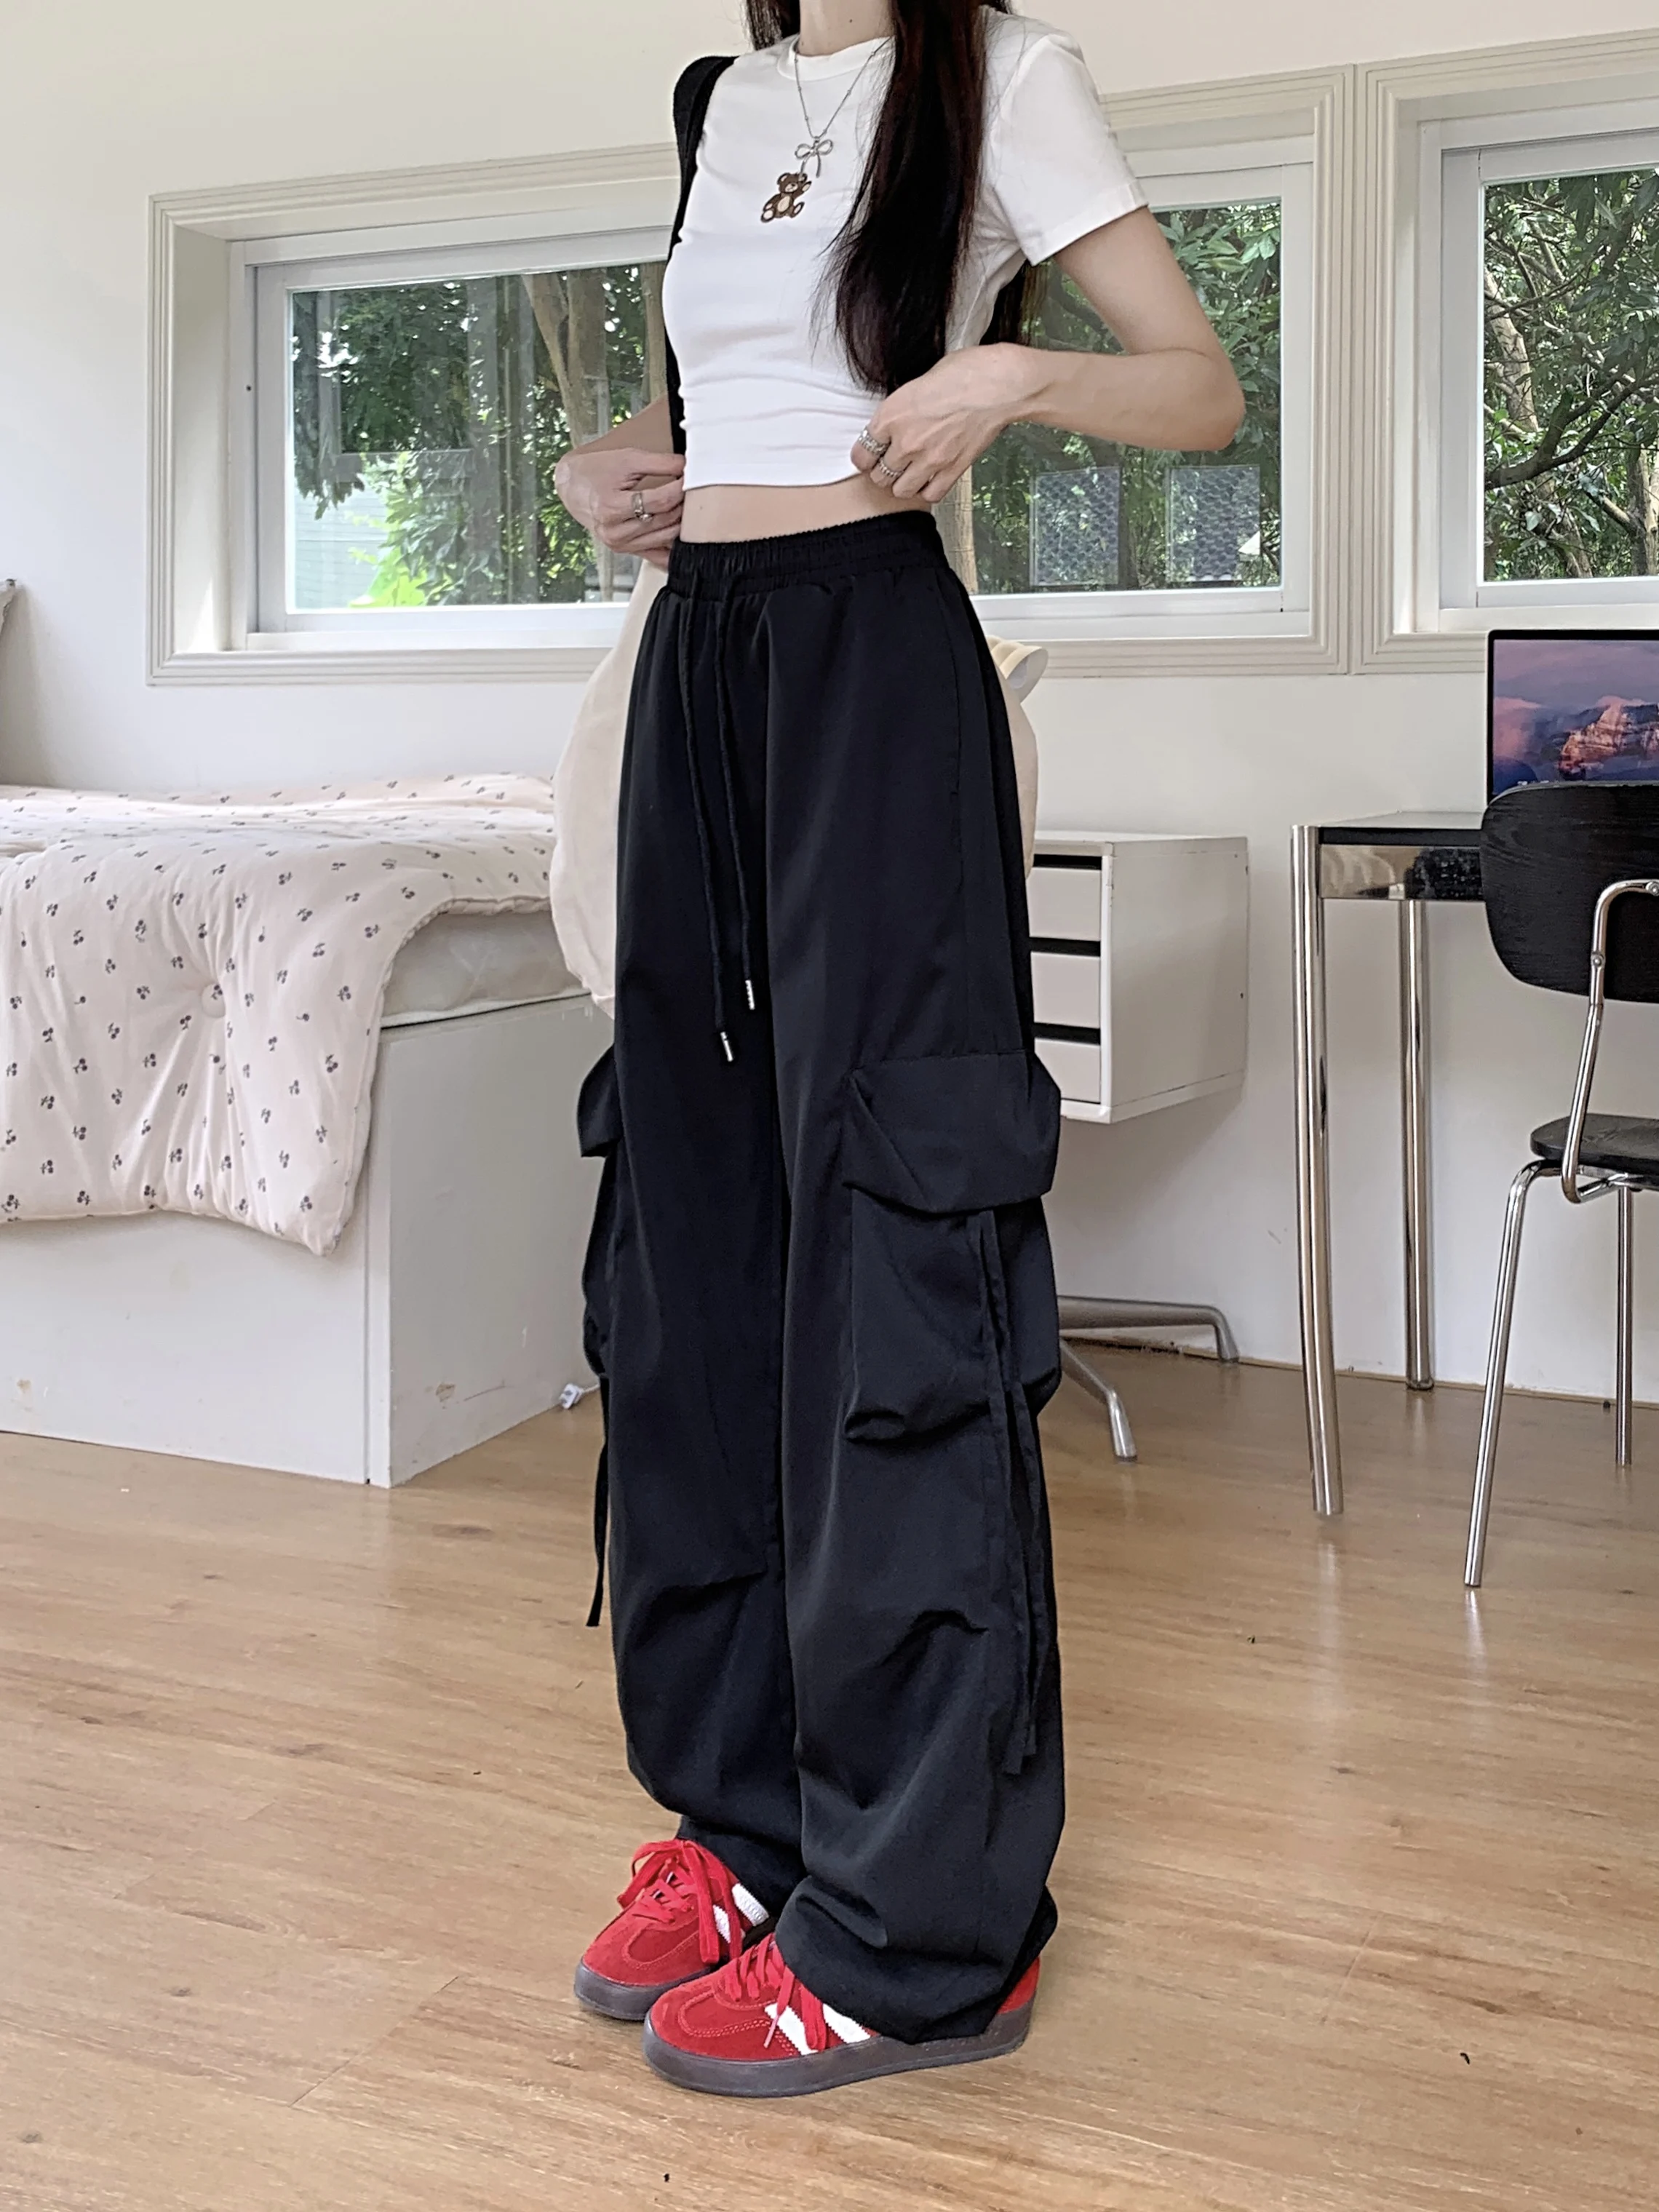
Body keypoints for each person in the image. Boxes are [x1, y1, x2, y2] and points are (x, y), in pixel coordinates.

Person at [553, 0, 1241, 2100]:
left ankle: (925, 1931)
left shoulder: (1003, 75)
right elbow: (723, 397)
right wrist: (618, 469)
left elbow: (1199, 388)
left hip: (876, 663)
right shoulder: (722, 102)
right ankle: (751, 1823)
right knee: (691, 1253)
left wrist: (1014, 374)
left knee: (889, 1250)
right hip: (697, 663)